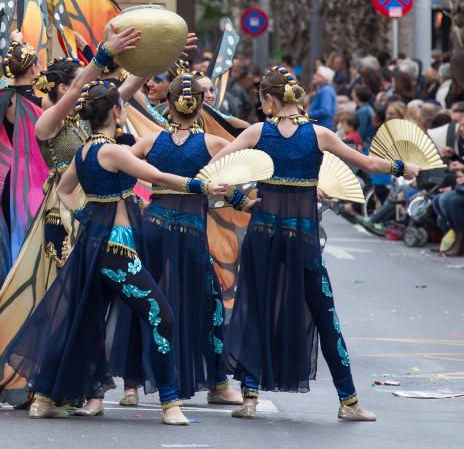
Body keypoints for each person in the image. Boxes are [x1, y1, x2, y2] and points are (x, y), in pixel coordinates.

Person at [6, 80, 227, 425]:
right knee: (160, 315)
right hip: (118, 247)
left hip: (93, 245)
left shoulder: (83, 152)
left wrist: (86, 217)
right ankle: (170, 404)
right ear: (115, 111)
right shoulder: (112, 151)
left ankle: (44, 398)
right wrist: (202, 185)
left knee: (81, 321)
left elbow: (63, 191)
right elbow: (155, 175)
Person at [209, 66, 420, 421]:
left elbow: (215, 168)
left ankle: (249, 399)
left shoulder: (258, 132)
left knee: (257, 310)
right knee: (325, 314)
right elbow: (367, 162)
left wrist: (238, 199)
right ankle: (348, 401)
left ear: (268, 99)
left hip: (262, 236)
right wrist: (402, 167)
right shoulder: (319, 134)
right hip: (303, 238)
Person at [0, 29, 141, 407]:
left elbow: (121, 93)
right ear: (59, 88)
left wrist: (153, 56)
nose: (82, 88)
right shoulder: (48, 123)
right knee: (56, 300)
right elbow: (79, 91)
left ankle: (84, 386)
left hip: (93, 213)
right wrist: (100, 58)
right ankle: (50, 385)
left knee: (87, 304)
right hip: (61, 216)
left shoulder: (88, 117)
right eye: (75, 83)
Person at [121, 72, 246, 407]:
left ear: (169, 105)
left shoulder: (150, 142)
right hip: (191, 231)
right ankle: (218, 384)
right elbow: (251, 148)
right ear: (201, 103)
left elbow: (118, 168)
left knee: (142, 300)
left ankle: (131, 385)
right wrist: (243, 203)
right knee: (208, 303)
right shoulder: (214, 145)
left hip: (153, 227)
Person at [0, 36, 46, 295]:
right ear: (34, 68)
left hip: (1, 179)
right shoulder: (42, 103)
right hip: (33, 182)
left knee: (5, 235)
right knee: (30, 240)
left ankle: (5, 293)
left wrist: (15, 45)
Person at [308, 65, 337, 130]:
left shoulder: (326, 90)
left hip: (323, 127)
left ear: (324, 78)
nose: (314, 76)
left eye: (317, 75)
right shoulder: (323, 88)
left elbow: (326, 111)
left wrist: (308, 114)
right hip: (320, 127)